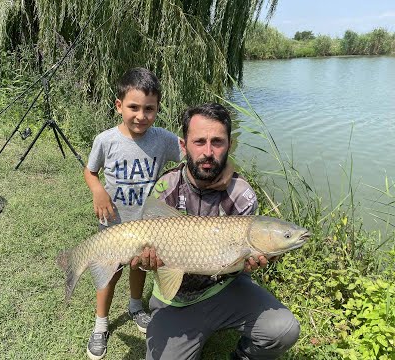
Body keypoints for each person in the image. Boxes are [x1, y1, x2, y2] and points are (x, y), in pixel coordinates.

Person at [84, 69, 234, 360]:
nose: (141, 116)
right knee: (109, 274)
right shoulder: (105, 140)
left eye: (149, 109)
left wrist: (226, 168)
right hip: (114, 223)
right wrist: (98, 190)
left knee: (140, 267)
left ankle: (136, 306)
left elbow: (198, 155)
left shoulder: (164, 139)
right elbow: (90, 172)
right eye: (134, 107)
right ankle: (101, 324)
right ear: (119, 106)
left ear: (157, 109)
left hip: (151, 226)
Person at [137, 103, 300, 360]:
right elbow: (148, 256)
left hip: (223, 289)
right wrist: (149, 262)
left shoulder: (241, 194)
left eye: (218, 142)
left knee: (284, 329)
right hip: (176, 300)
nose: (208, 152)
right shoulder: (166, 187)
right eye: (199, 141)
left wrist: (256, 261)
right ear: (183, 146)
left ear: (229, 146)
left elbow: (243, 264)